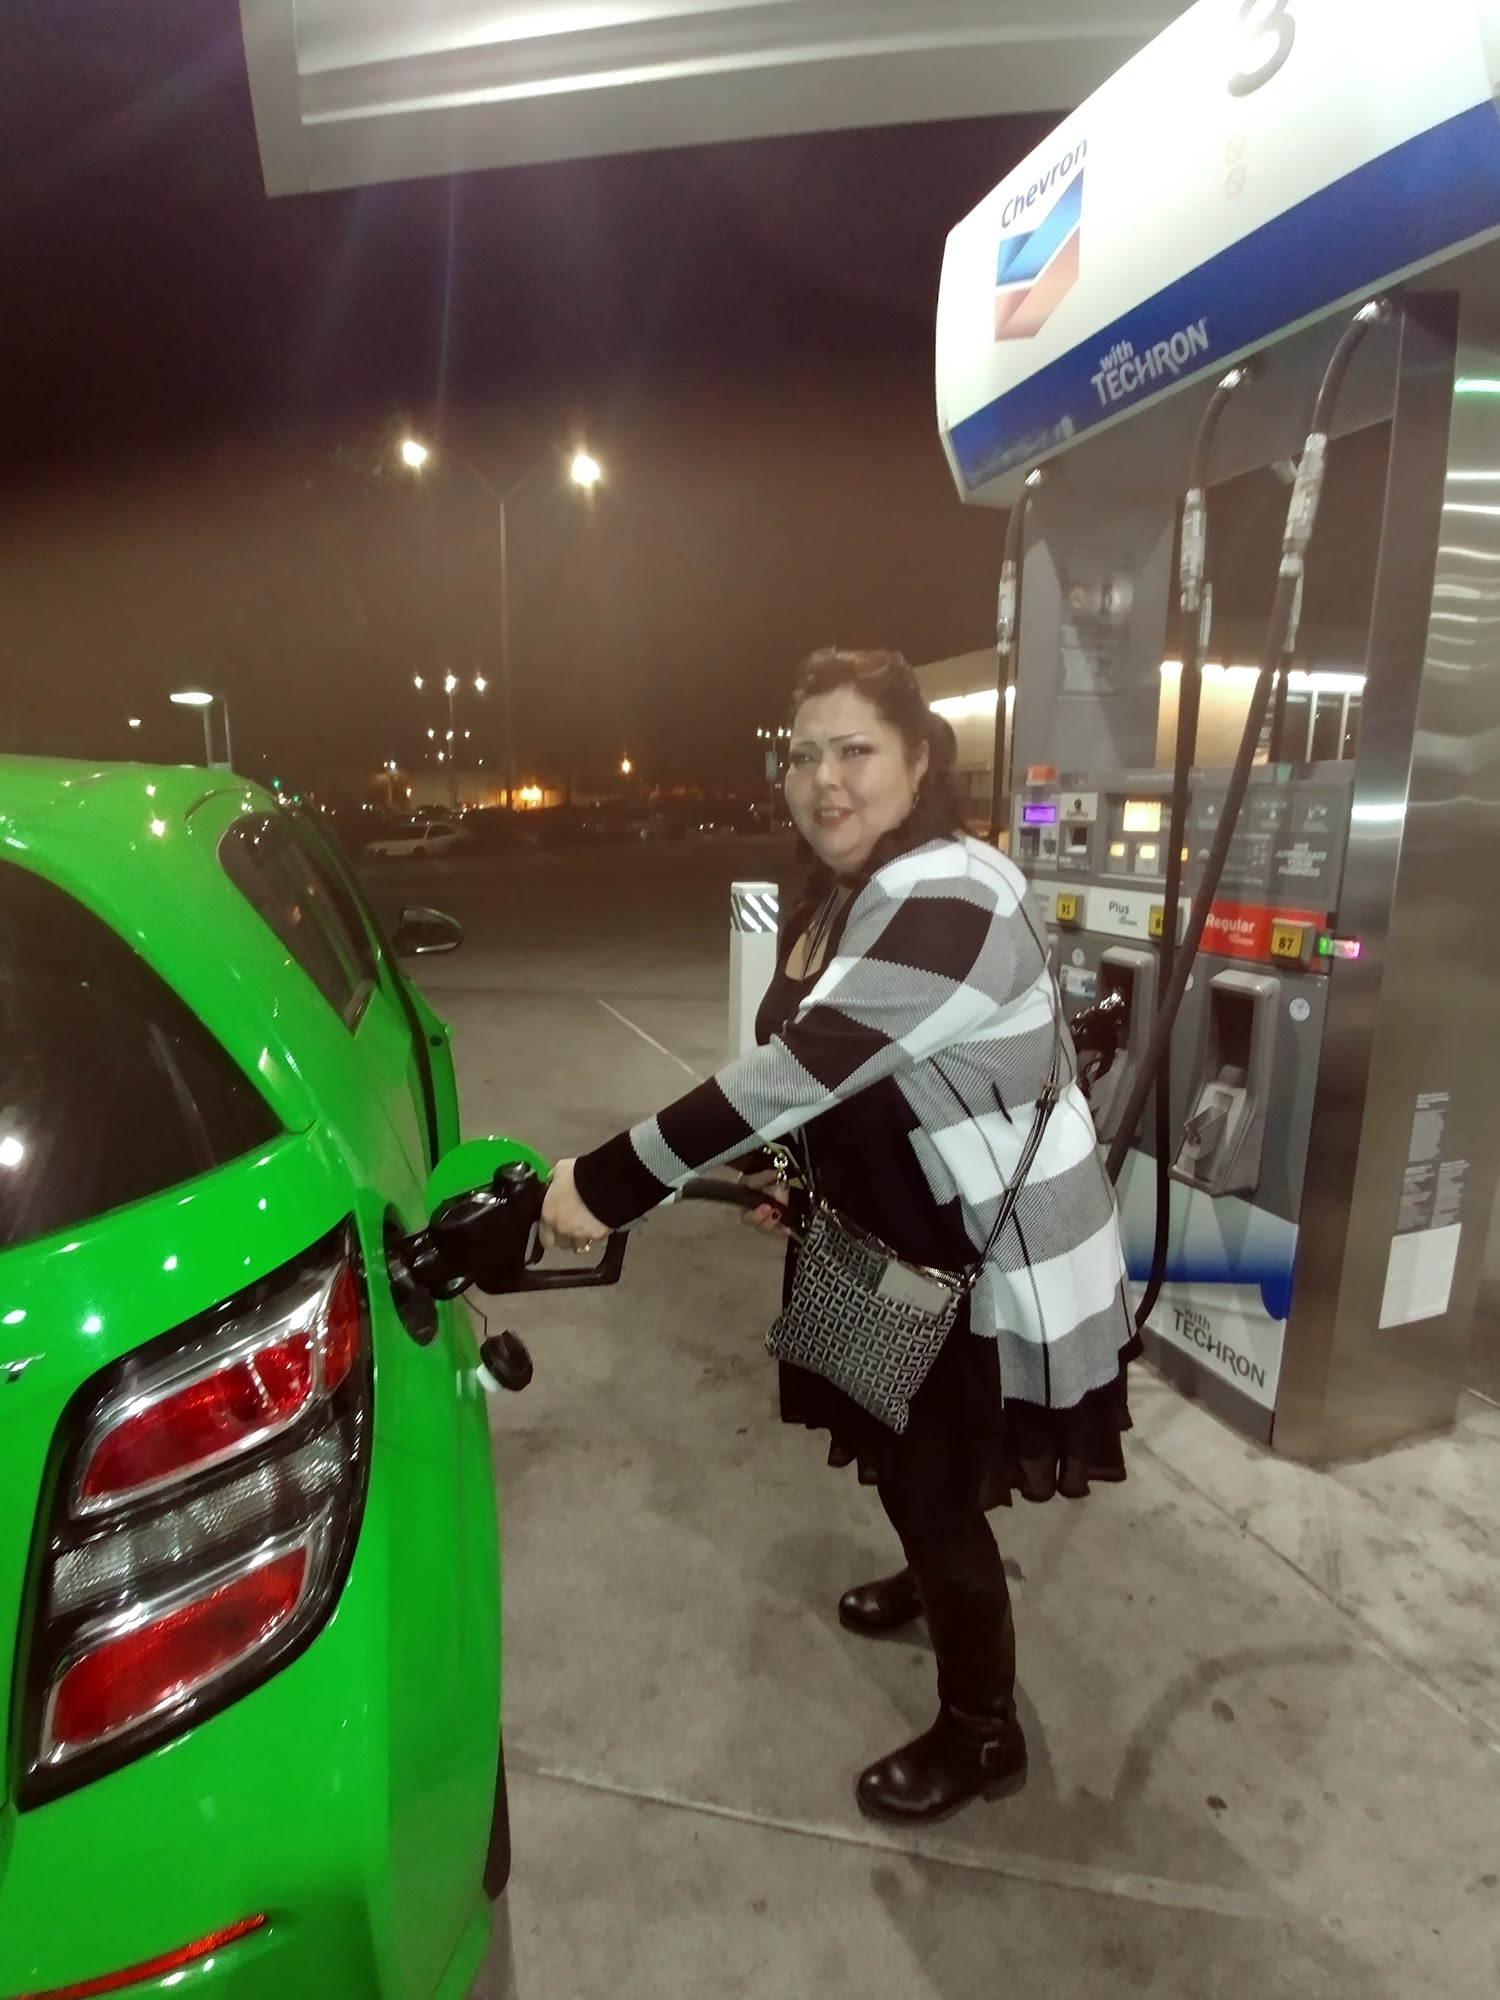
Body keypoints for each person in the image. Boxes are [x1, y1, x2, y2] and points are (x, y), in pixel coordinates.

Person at [542, 647, 1136, 1825]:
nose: (825, 778)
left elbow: (799, 1068)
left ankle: (983, 1730)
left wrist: (608, 1182)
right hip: (893, 1231)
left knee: (933, 1479)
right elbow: (839, 1085)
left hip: (980, 1256)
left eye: (856, 748)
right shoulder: (852, 888)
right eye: (803, 753)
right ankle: (930, 1574)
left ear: (920, 760)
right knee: (905, 1454)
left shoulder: (955, 889)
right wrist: (787, 1173)